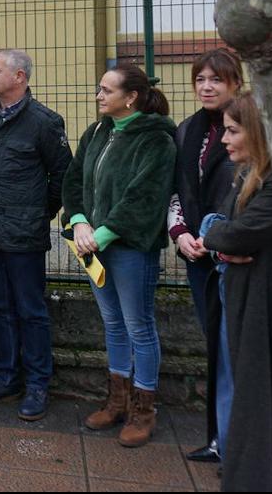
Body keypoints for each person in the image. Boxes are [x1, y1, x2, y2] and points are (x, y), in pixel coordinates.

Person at [200, 93, 272, 491]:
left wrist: (218, 239)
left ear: (260, 134)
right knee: (249, 403)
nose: (224, 140)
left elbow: (232, 233)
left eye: (233, 131)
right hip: (246, 302)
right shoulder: (250, 178)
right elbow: (220, 230)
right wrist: (219, 239)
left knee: (270, 407)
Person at [62, 63, 176, 448]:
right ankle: (117, 399)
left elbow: (144, 198)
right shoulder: (96, 132)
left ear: (131, 98)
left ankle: (144, 409)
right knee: (112, 323)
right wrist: (78, 222)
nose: (99, 96)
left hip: (129, 250)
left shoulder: (156, 140)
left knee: (138, 326)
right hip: (92, 244)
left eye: (107, 91)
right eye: (99, 88)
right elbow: (73, 180)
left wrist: (101, 235)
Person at [0, 49, 72, 421]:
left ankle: (38, 383)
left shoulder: (44, 122)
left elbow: (62, 178)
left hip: (24, 234)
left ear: (20, 77)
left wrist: (37, 213)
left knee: (30, 309)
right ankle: (4, 376)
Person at [167, 48, 244, 463]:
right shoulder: (187, 130)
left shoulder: (252, 128)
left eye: (216, 79)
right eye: (200, 79)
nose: (206, 86)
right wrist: (180, 233)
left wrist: (215, 238)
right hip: (198, 256)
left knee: (237, 352)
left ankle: (238, 443)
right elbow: (179, 188)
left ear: (236, 82)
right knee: (215, 347)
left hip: (234, 256)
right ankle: (219, 438)